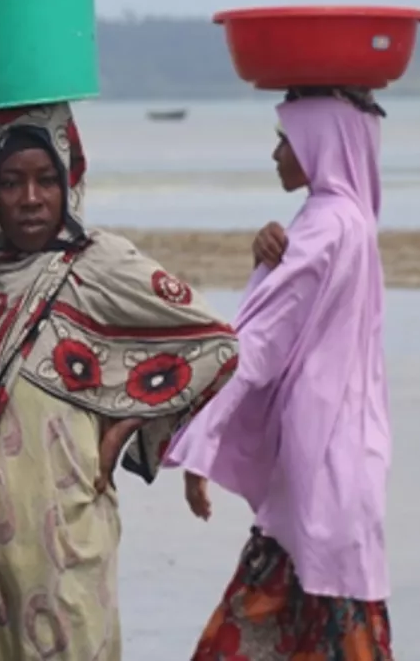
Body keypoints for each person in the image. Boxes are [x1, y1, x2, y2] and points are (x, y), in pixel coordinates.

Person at [0, 103, 240, 660]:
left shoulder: (98, 270)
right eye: (10, 182)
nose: (31, 198)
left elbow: (214, 347)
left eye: (46, 179)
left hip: (63, 574)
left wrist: (132, 418)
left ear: (68, 180)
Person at [167, 89, 395, 660]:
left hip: (319, 478)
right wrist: (265, 267)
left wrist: (199, 443)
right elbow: (296, 324)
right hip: (347, 472)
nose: (274, 154)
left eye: (284, 139)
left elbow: (260, 344)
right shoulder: (352, 222)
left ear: (320, 143)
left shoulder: (322, 227)